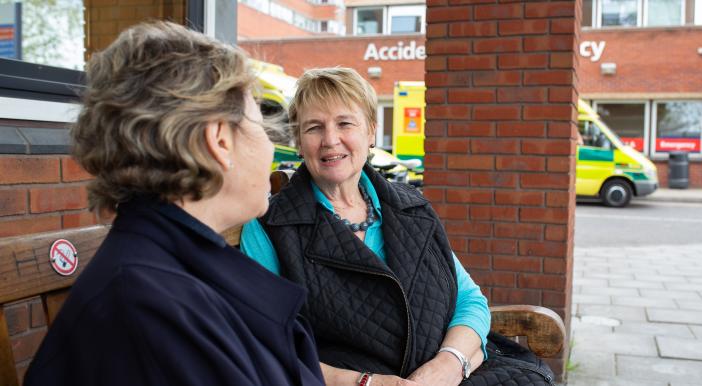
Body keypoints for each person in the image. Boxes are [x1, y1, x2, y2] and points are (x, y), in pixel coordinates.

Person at [24, 21, 325, 386]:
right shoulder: (150, 312)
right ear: (219, 141)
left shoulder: (170, 277)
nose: (271, 150)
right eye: (261, 126)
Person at [240, 68, 554, 386]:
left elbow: (469, 300)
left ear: (371, 132)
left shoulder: (411, 208)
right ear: (297, 140)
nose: (330, 139)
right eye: (314, 127)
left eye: (345, 123)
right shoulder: (269, 228)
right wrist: (366, 383)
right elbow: (264, 345)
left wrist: (450, 364)